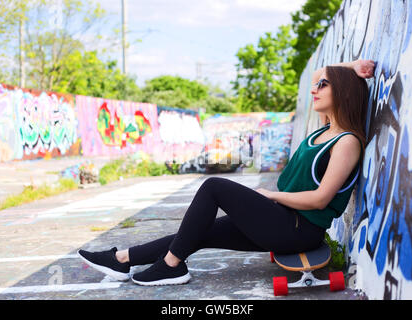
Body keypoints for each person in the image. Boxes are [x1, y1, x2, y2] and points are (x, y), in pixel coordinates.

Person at [78, 59, 376, 286]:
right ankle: (122, 259)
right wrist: (349, 67)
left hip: (298, 231)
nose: (314, 88)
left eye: (324, 85)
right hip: (280, 219)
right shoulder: (324, 130)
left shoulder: (347, 141)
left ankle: (171, 266)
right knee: (198, 231)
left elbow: (321, 199)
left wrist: (270, 195)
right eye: (317, 84)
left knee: (214, 187)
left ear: (344, 91)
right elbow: (317, 74)